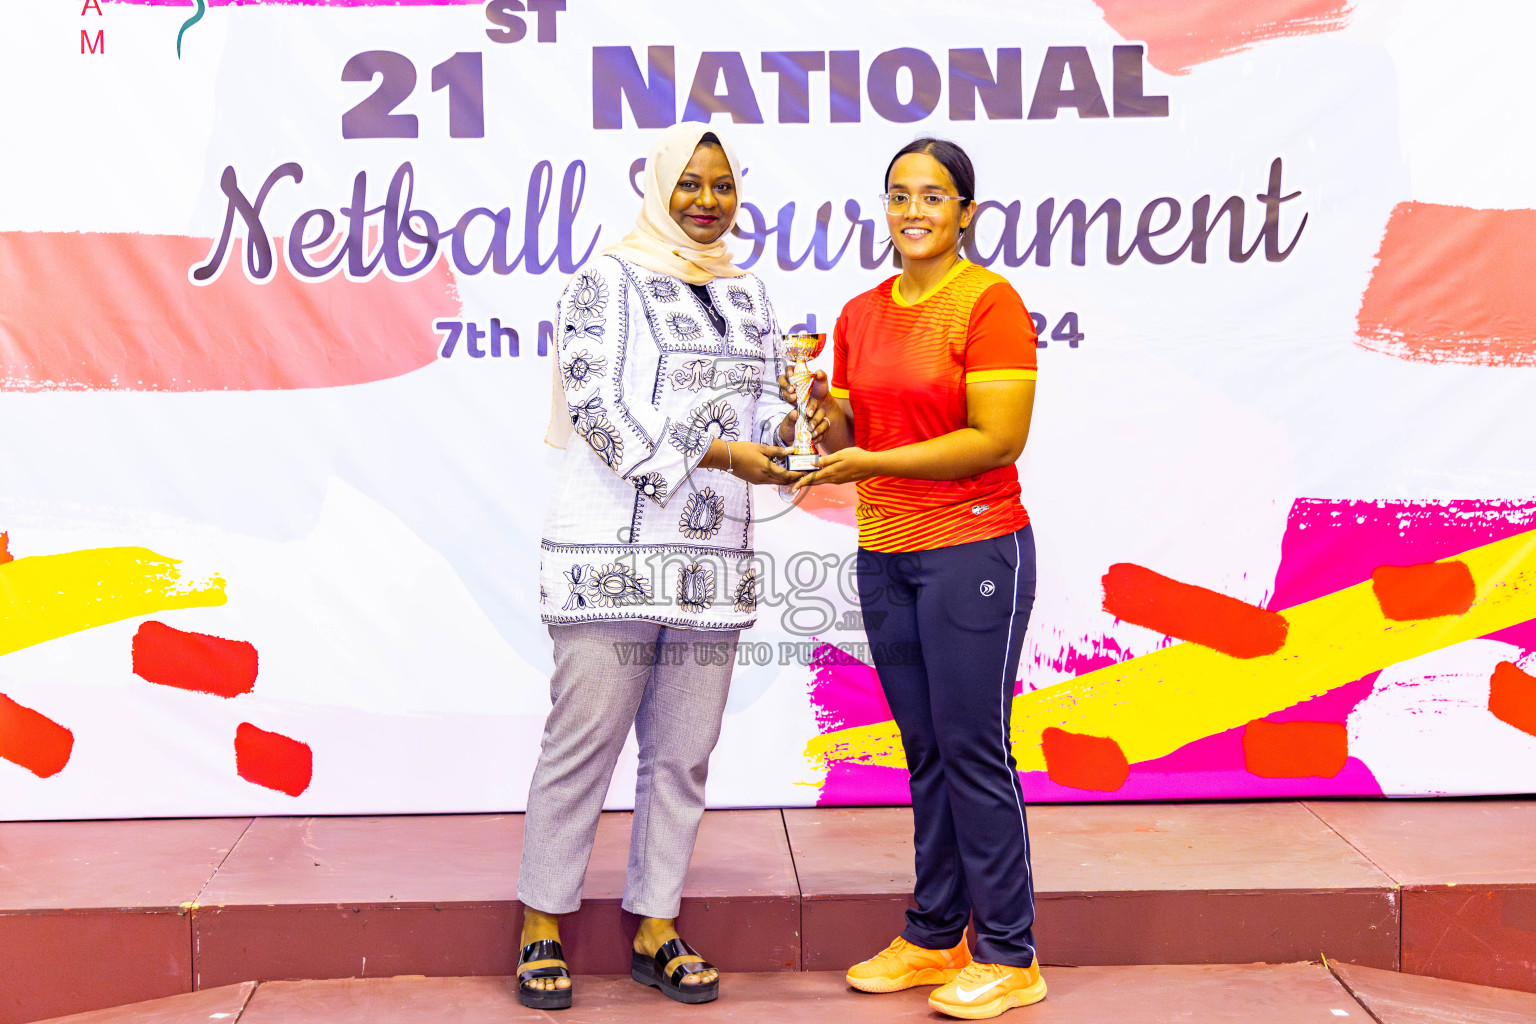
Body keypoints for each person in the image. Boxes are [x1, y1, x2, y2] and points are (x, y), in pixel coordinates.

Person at [519, 122, 800, 1010]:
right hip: (610, 555)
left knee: (682, 755)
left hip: (712, 561)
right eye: (691, 183)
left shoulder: (751, 294)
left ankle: (655, 923)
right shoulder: (605, 279)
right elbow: (601, 414)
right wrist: (718, 452)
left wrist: (801, 427)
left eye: (721, 186)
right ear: (658, 185)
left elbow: (768, 419)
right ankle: (539, 924)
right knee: (584, 745)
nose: (706, 202)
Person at [788, 137, 1045, 1019]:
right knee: (926, 749)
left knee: (975, 748)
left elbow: (996, 439)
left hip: (975, 548)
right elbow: (840, 445)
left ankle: (1010, 953)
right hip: (886, 553)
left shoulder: (990, 302)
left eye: (934, 196)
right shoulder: (861, 313)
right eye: (899, 195)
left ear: (966, 212)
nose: (914, 211)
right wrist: (819, 413)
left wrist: (868, 453)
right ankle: (936, 937)